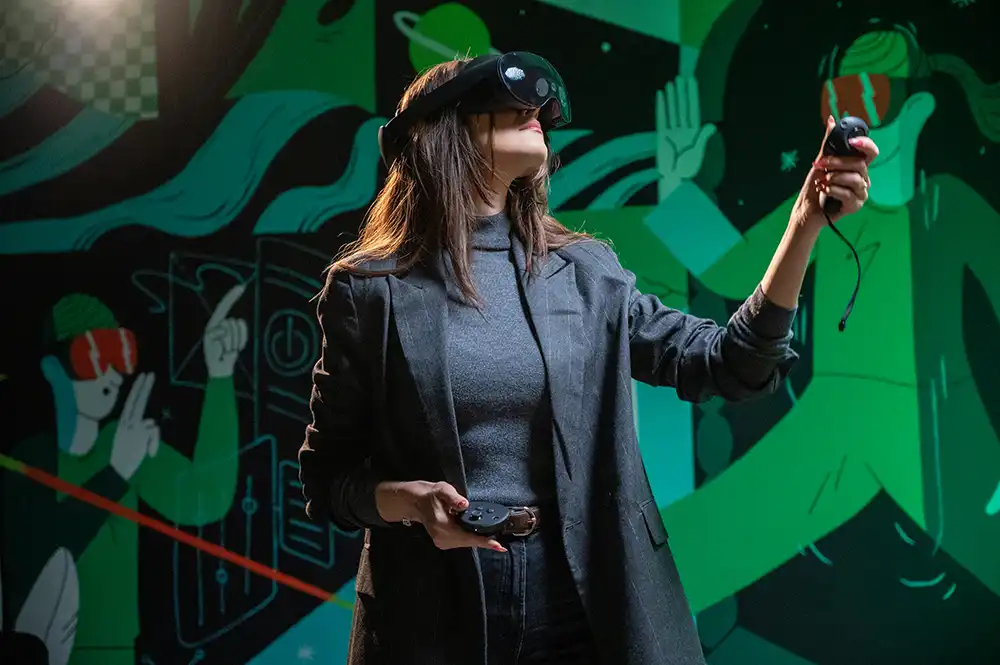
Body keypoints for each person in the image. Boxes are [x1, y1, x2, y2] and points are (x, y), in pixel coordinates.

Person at [298, 52, 878, 665]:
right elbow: (328, 481)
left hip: (583, 605)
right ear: (446, 127)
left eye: (539, 109)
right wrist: (411, 503)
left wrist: (804, 222)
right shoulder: (370, 292)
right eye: (511, 102)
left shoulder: (586, 273)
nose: (536, 113)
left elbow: (731, 364)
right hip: (430, 619)